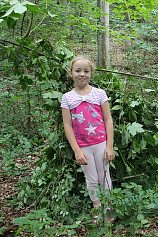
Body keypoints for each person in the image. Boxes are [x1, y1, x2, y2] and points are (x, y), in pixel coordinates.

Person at [61, 56, 115, 221]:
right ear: (71, 73)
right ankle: (97, 207)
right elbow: (67, 126)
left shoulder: (99, 94)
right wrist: (76, 150)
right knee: (91, 179)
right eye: (78, 71)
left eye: (86, 71)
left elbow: (108, 119)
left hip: (101, 143)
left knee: (104, 175)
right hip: (83, 146)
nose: (82, 74)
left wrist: (110, 146)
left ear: (91, 73)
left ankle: (109, 207)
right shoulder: (67, 98)